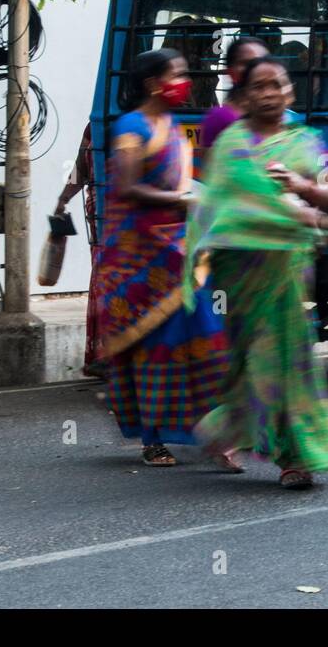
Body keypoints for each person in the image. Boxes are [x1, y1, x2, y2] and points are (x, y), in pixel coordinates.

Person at [184, 56, 328, 489]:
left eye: (277, 84)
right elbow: (211, 207)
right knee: (248, 361)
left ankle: (297, 458)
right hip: (238, 272)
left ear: (290, 92)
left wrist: (301, 187)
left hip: (286, 270)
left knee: (288, 364)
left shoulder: (306, 143)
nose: (269, 93)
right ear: (245, 95)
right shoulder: (230, 145)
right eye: (259, 86)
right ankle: (234, 420)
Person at [91, 47, 231, 467]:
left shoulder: (170, 124)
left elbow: (181, 181)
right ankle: (152, 438)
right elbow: (129, 187)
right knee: (152, 349)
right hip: (137, 262)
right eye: (178, 74)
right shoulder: (131, 126)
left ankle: (219, 433)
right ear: (154, 83)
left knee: (204, 338)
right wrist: (181, 199)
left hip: (178, 255)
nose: (186, 82)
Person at [53, 124, 101, 375]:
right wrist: (63, 199)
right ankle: (103, 355)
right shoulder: (97, 126)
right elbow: (79, 169)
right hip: (103, 216)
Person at [198, 36, 270, 149]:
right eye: (246, 63)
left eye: (260, 62)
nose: (254, 68)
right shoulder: (219, 117)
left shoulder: (277, 112)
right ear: (230, 71)